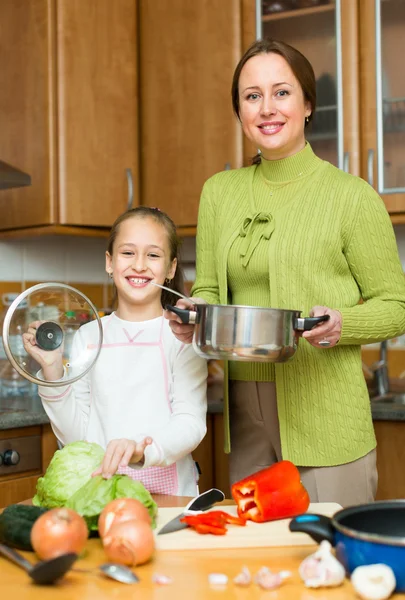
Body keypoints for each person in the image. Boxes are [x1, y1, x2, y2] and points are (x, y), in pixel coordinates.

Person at [166, 38, 405, 507]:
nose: (266, 108)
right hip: (245, 417)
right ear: (239, 111)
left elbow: (397, 307)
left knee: (330, 561)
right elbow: (211, 287)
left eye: (282, 92)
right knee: (259, 567)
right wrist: (193, 314)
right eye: (252, 96)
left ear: (308, 104)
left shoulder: (351, 196)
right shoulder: (219, 193)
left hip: (327, 413)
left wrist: (344, 324)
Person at [24, 207, 208, 496]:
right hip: (101, 493)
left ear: (170, 268)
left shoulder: (183, 336)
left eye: (153, 255)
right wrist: (52, 370)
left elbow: (191, 424)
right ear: (109, 262)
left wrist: (141, 450)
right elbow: (77, 437)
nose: (139, 265)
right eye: (128, 253)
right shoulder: (88, 336)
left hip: (170, 497)